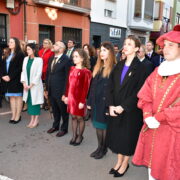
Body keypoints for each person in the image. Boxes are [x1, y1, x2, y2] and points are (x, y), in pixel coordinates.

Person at [132, 24, 180, 180]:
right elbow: (145, 95)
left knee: (168, 172)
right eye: (164, 45)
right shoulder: (158, 70)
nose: (165, 49)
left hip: (172, 135)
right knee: (151, 171)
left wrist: (157, 118)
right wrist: (147, 115)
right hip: (152, 130)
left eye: (171, 45)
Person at [106, 35, 148, 177]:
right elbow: (110, 85)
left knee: (126, 139)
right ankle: (119, 161)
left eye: (129, 44)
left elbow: (139, 92)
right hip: (115, 108)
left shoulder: (141, 68)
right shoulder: (119, 64)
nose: (126, 46)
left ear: (136, 48)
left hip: (130, 111)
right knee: (117, 138)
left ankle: (125, 163)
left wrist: (123, 106)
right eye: (125, 43)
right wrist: (111, 105)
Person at [87, 42, 116, 159]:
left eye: (104, 50)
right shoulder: (98, 66)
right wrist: (89, 102)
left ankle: (103, 149)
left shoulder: (114, 68)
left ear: (110, 52)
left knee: (103, 128)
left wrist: (109, 106)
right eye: (101, 50)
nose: (101, 53)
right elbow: (92, 86)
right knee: (98, 127)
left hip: (105, 103)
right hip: (96, 102)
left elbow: (114, 90)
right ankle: (99, 147)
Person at [63, 49, 92, 145]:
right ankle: (74, 135)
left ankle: (80, 136)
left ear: (82, 58)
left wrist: (82, 101)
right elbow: (68, 84)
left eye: (76, 56)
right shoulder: (72, 69)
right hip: (71, 98)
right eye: (73, 56)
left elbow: (85, 88)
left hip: (79, 99)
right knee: (73, 117)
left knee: (80, 118)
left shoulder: (86, 72)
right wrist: (66, 96)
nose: (74, 58)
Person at [46, 41, 71, 137]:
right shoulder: (51, 58)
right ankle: (55, 126)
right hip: (51, 90)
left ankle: (64, 129)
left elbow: (67, 78)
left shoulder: (66, 60)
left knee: (63, 111)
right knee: (55, 110)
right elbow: (48, 74)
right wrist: (47, 89)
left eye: (56, 45)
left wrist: (65, 93)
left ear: (61, 48)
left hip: (61, 91)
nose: (53, 46)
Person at [1, 37, 25, 123]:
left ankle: (18, 116)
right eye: (9, 42)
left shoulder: (20, 54)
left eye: (11, 42)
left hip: (16, 79)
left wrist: (10, 77)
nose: (9, 43)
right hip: (6, 79)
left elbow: (20, 68)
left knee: (18, 97)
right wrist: (3, 76)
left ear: (16, 43)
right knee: (11, 98)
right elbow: (2, 66)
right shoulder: (7, 53)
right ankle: (13, 115)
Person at [21, 43, 44, 128]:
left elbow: (39, 74)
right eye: (27, 49)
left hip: (35, 85)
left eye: (29, 49)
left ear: (34, 50)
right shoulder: (25, 59)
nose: (27, 51)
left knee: (35, 102)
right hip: (26, 85)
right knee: (30, 102)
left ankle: (36, 120)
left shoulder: (39, 60)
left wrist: (31, 85)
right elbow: (23, 72)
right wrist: (24, 83)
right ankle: (32, 120)